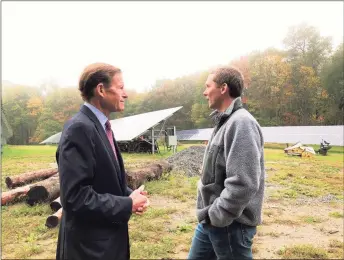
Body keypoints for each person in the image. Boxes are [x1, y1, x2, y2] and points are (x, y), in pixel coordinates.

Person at [56, 63, 149, 260]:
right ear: (101, 90)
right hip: (89, 250)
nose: (126, 94)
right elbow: (75, 198)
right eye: (121, 87)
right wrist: (126, 205)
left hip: (105, 244)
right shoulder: (79, 129)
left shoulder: (100, 126)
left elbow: (104, 181)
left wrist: (130, 195)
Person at [188, 66, 265, 260]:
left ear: (223, 88)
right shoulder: (225, 122)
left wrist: (218, 215)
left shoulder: (241, 123)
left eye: (208, 86)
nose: (204, 92)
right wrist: (210, 217)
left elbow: (244, 182)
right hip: (211, 221)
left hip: (231, 224)